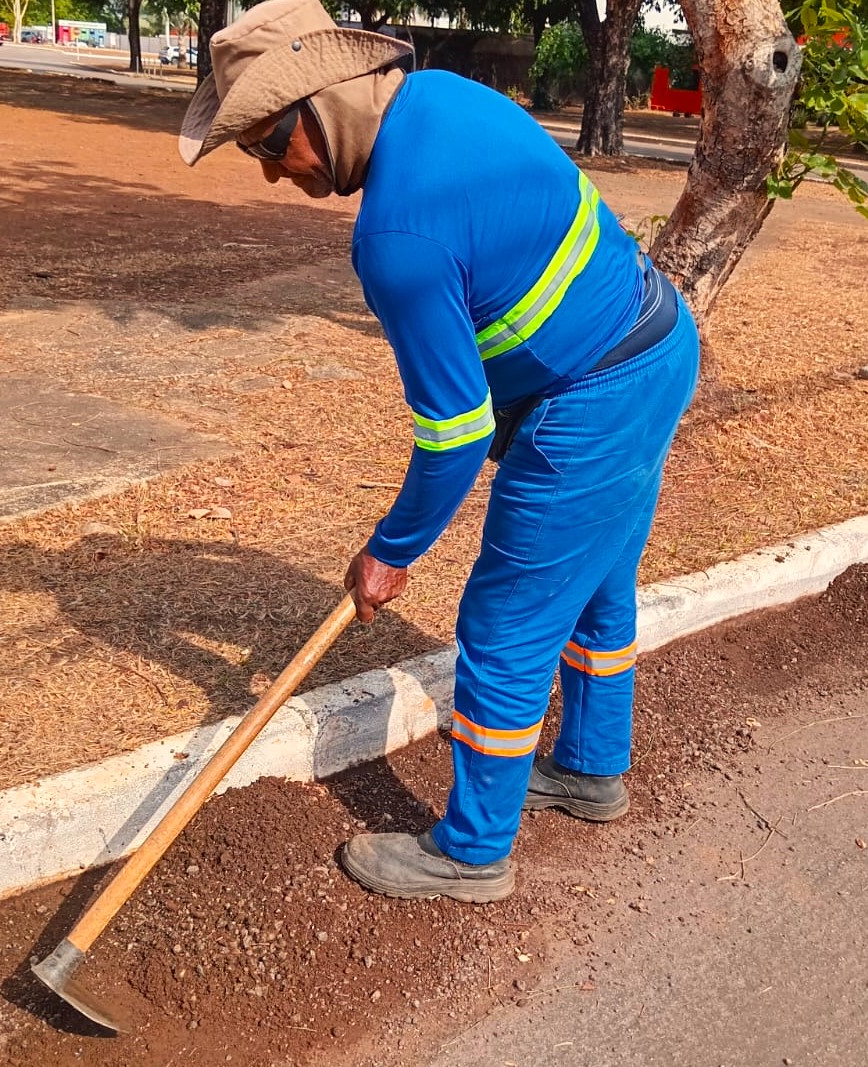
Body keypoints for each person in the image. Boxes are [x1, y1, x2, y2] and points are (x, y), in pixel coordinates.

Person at [179, 0, 699, 903]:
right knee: (597, 589)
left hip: (593, 398)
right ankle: (588, 768)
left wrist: (392, 549)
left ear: (324, 103)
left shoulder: (396, 236)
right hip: (657, 347)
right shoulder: (447, 99)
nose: (271, 174)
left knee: (504, 626)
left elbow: (454, 432)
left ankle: (471, 850)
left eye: (269, 143)